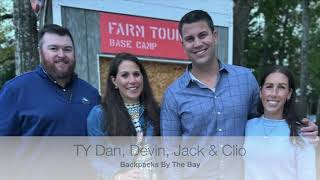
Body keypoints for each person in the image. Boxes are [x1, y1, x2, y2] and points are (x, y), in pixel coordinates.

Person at [160, 9, 318, 136]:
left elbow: (267, 119)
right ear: (183, 44)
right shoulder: (174, 95)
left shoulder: (245, 79)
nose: (198, 43)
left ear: (215, 36)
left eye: (203, 35)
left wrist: (301, 128)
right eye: (190, 39)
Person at [0, 24, 100, 135]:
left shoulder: (91, 94)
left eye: (67, 49)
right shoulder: (16, 90)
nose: (61, 55)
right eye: (53, 48)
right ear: (40, 52)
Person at [87, 52, 160, 180]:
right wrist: (117, 175)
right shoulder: (99, 114)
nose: (132, 80)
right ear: (114, 81)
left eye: (136, 74)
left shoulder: (155, 112)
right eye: (125, 75)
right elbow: (95, 158)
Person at [244, 66, 315, 180]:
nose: (274, 93)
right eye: (269, 87)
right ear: (261, 92)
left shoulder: (302, 133)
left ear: (289, 93)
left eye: (281, 87)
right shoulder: (247, 126)